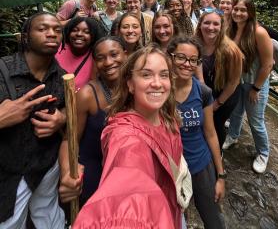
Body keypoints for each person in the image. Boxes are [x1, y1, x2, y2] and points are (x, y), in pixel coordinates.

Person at [73, 45, 184, 229]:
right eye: (146, 75)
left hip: (172, 210)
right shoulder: (126, 136)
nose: (157, 83)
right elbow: (128, 188)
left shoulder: (168, 118)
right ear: (130, 84)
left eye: (164, 75)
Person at [0, 12, 66, 228]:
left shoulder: (63, 77)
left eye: (57, 30)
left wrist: (61, 120)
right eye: (43, 29)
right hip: (8, 170)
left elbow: (70, 114)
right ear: (26, 37)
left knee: (49, 219)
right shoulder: (2, 70)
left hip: (46, 165)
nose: (52, 34)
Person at [59, 36, 127, 206]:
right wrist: (68, 172)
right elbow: (69, 140)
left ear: (125, 55)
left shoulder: (137, 87)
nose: (108, 62)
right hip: (94, 174)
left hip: (126, 170)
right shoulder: (87, 95)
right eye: (101, 58)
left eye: (114, 54)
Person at [167, 36, 226, 229]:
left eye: (193, 60)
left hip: (200, 164)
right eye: (181, 58)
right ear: (170, 57)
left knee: (214, 220)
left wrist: (221, 176)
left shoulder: (203, 92)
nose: (187, 64)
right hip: (170, 169)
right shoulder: (159, 91)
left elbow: (210, 133)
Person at [223, 0, 273, 174]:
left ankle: (263, 153)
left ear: (250, 12)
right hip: (237, 82)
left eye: (243, 10)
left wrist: (256, 88)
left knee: (256, 121)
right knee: (235, 113)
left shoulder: (259, 33)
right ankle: (233, 136)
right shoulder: (231, 29)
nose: (238, 13)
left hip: (254, 84)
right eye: (236, 9)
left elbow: (268, 64)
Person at [195, 8, 243, 149]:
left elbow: (234, 81)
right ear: (200, 25)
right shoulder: (194, 44)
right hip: (205, 91)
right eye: (207, 23)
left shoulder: (232, 50)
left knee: (216, 124)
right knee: (201, 123)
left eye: (216, 24)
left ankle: (217, 155)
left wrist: (217, 103)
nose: (211, 27)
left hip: (226, 94)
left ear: (222, 27)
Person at [56, 17, 102, 91]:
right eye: (74, 30)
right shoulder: (57, 48)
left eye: (86, 32)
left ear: (93, 36)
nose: (79, 34)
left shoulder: (96, 56)